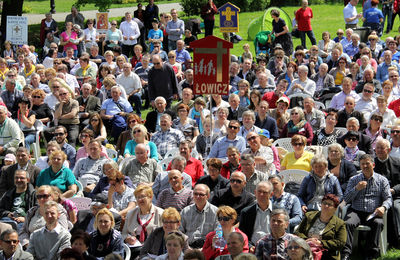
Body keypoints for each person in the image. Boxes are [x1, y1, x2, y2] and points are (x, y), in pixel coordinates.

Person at [342, 154, 392, 259]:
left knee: (377, 223)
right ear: (360, 166)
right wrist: (356, 188)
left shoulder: (382, 180)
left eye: (367, 163)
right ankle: (346, 253)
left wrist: (383, 207)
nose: (365, 166)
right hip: (356, 211)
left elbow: (388, 198)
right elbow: (346, 199)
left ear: (373, 164)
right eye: (362, 164)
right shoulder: (353, 180)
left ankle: (371, 253)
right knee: (347, 223)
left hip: (373, 212)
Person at [122, 184, 164, 257]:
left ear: (150, 197)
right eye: (137, 197)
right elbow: (124, 233)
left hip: (153, 250)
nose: (139, 199)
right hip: (134, 250)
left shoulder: (160, 213)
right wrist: (127, 238)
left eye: (142, 196)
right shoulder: (131, 213)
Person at [180, 184, 218, 248]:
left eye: (201, 194)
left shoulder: (216, 212)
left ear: (208, 196)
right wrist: (186, 248)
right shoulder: (185, 211)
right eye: (195, 194)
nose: (198, 196)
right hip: (187, 247)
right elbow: (180, 231)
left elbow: (217, 233)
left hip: (207, 247)